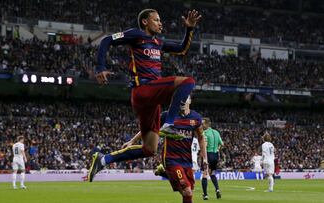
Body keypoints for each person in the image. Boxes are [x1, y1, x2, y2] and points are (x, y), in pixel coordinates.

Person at [88, 8, 202, 182]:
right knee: (188, 81)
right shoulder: (136, 35)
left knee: (149, 149)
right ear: (145, 22)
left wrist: (189, 29)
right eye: (156, 20)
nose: (160, 23)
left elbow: (181, 49)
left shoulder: (158, 42)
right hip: (144, 90)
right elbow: (106, 40)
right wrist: (100, 67)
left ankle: (103, 159)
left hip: (151, 100)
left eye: (160, 20)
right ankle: (169, 123)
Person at [124, 96, 207, 203]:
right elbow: (149, 127)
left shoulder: (196, 118)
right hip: (171, 158)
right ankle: (167, 172)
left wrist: (205, 158)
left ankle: (165, 173)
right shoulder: (168, 115)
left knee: (187, 192)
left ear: (190, 101)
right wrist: (132, 141)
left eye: (186, 97)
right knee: (187, 191)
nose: (183, 100)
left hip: (187, 160)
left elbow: (201, 137)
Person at [201, 118, 223, 200]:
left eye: (203, 124)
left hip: (208, 154)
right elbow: (222, 143)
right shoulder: (217, 132)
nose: (202, 125)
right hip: (215, 155)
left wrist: (203, 157)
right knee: (212, 173)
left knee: (205, 174)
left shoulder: (205, 133)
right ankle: (217, 189)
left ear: (207, 124)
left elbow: (205, 145)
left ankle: (205, 195)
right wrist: (217, 149)